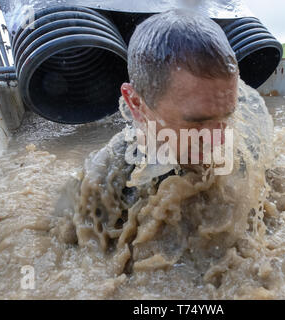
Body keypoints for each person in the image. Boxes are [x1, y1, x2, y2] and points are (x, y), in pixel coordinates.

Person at [71, 9, 240, 250]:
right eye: (196, 122)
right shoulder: (103, 182)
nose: (218, 142)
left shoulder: (246, 154)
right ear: (136, 104)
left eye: (227, 116)